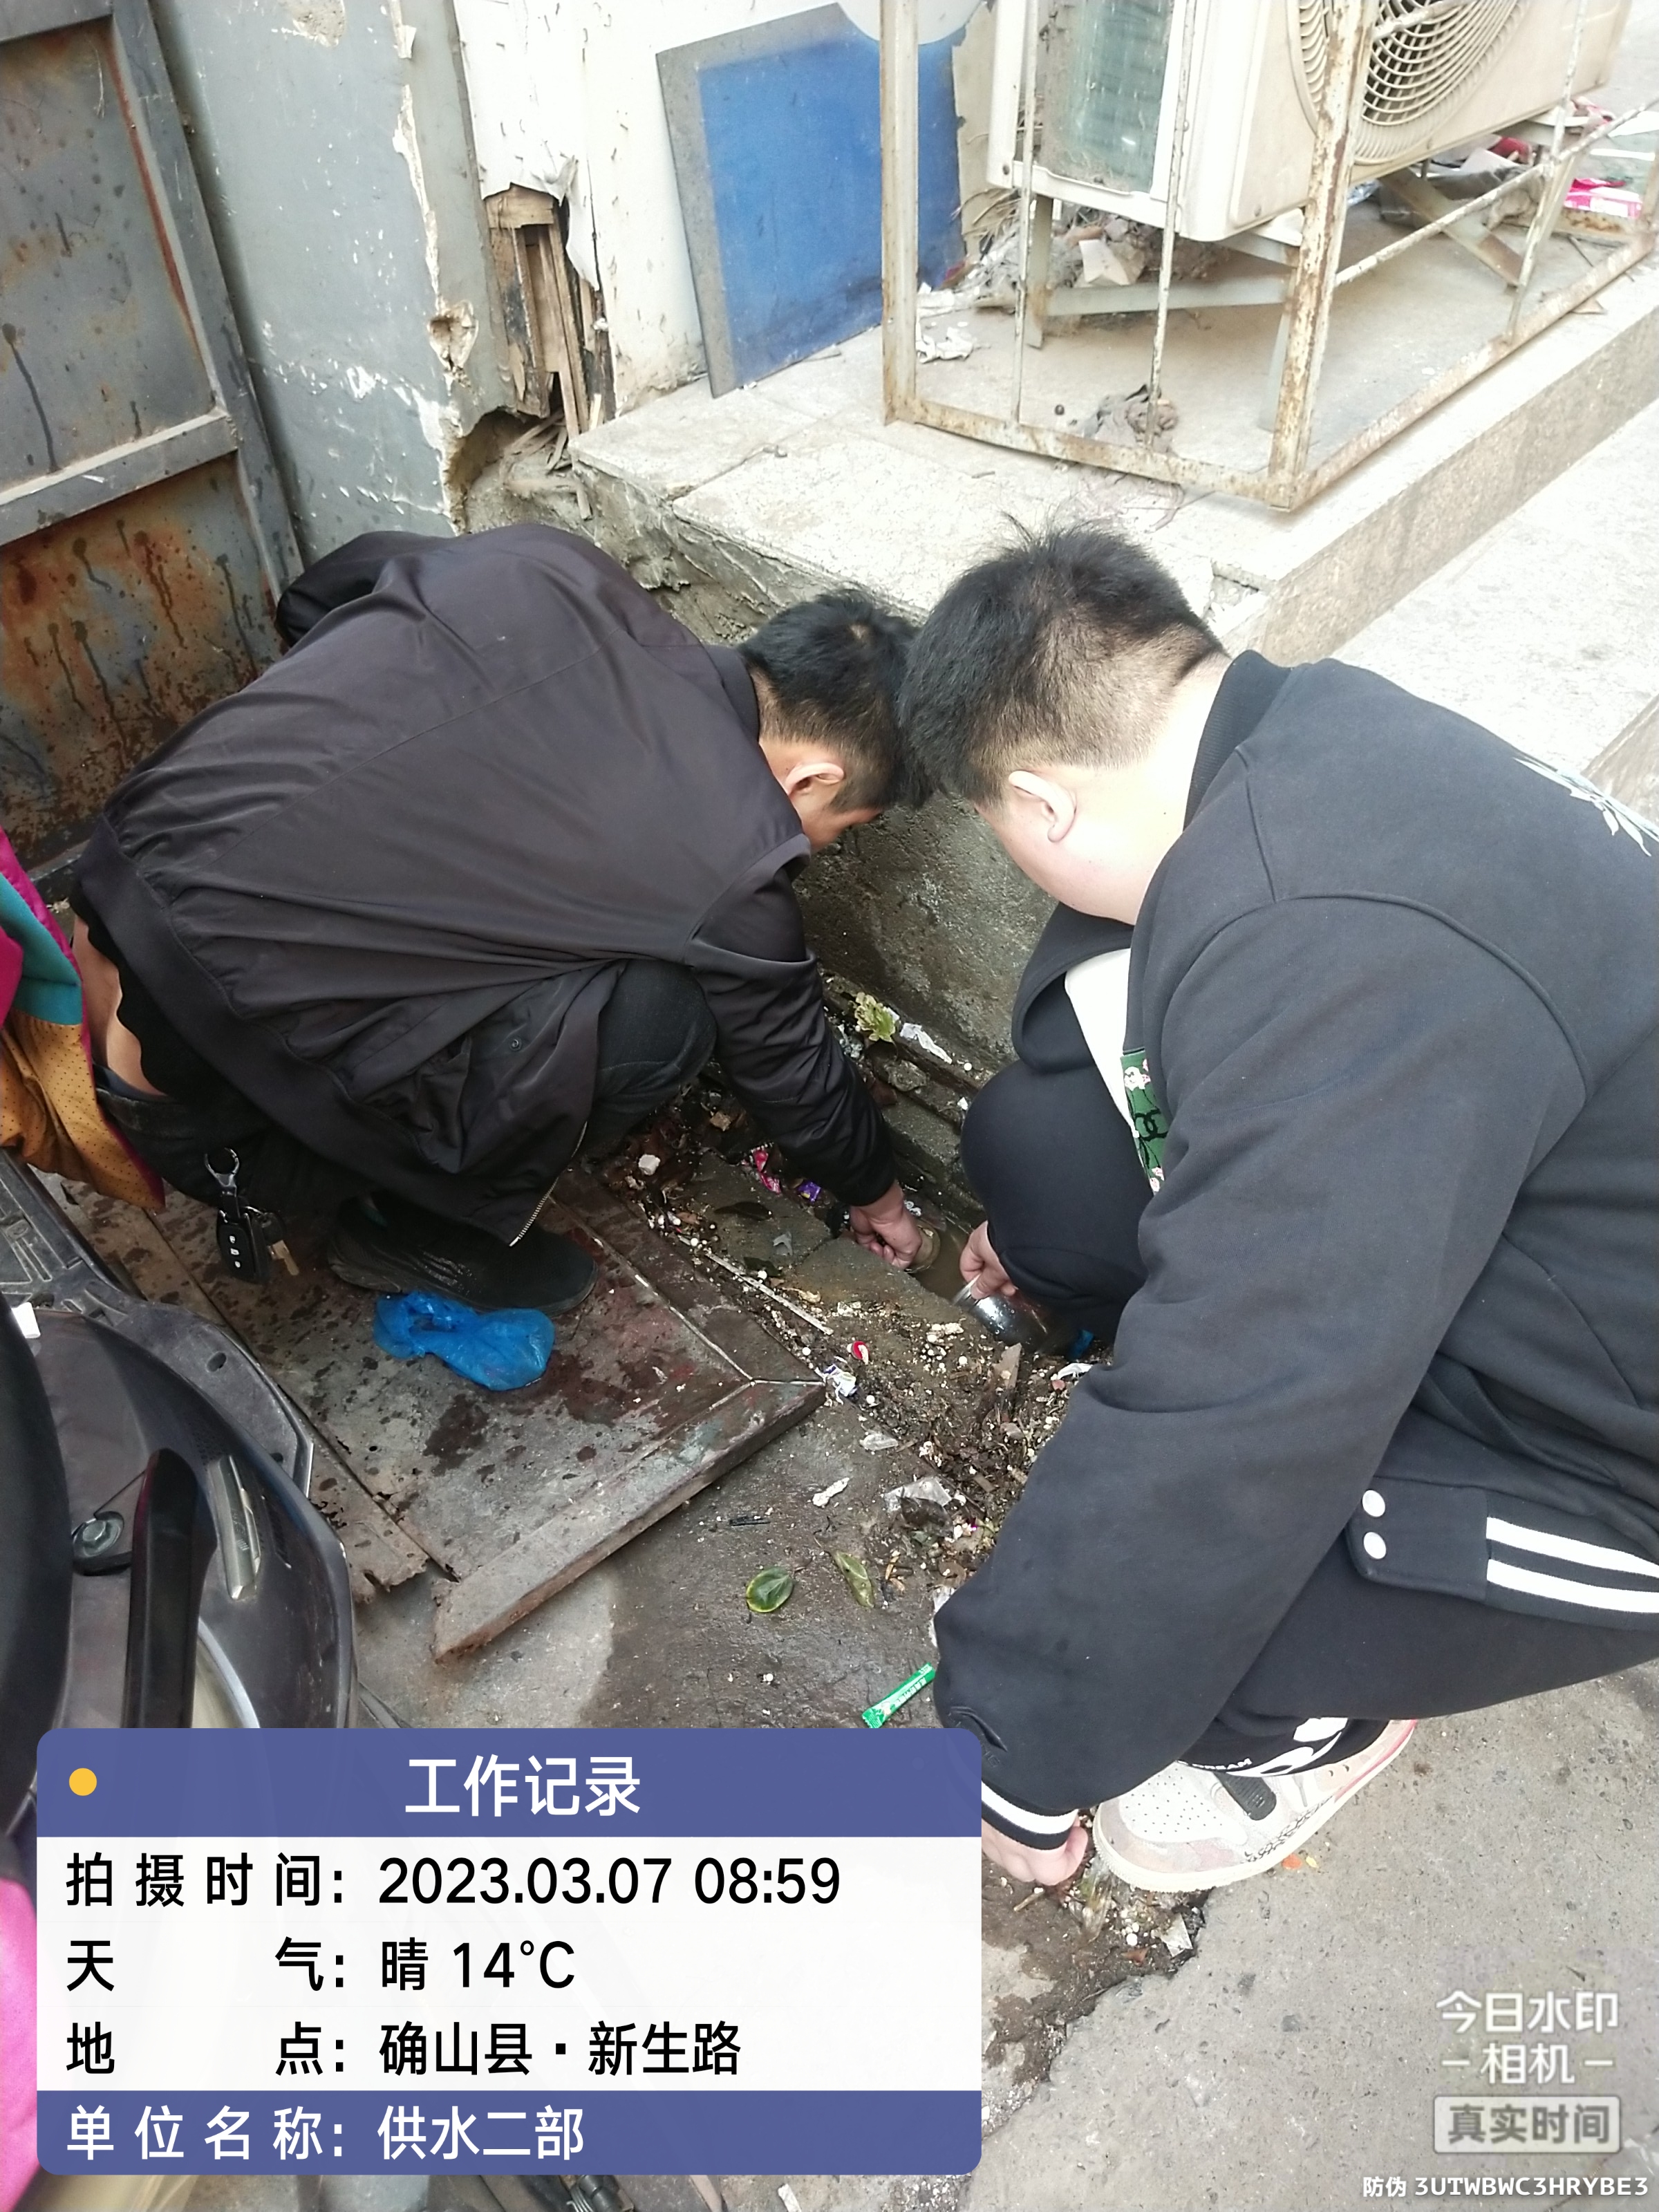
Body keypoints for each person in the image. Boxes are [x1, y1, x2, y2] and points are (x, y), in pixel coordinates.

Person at [901, 525, 1659, 1894]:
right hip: (1575, 1250)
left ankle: (1322, 1725)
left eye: (1000, 837)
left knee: (1199, 1637)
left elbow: (1253, 1394)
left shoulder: (1322, 930)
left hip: (1622, 1443)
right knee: (1072, 1158)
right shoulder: (1323, 736)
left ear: (1040, 803)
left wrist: (1013, 1736)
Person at [72, 525, 927, 1310]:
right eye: (845, 829)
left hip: (107, 892)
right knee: (668, 1014)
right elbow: (791, 1067)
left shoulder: (543, 564)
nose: (822, 847)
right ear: (812, 779)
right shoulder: (738, 843)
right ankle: (409, 1227)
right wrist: (881, 1201)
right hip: (208, 1114)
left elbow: (315, 595)